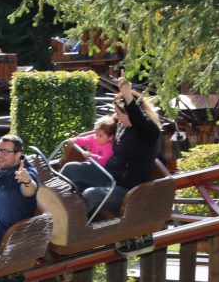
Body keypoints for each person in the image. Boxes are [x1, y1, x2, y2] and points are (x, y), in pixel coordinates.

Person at [59, 73, 161, 216]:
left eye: (119, 113)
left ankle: (73, 229)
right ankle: (54, 211)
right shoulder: (122, 126)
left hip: (126, 191)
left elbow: (139, 119)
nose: (117, 117)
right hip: (107, 176)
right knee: (71, 169)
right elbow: (105, 127)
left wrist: (127, 94)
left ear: (130, 113)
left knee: (91, 194)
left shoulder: (149, 132)